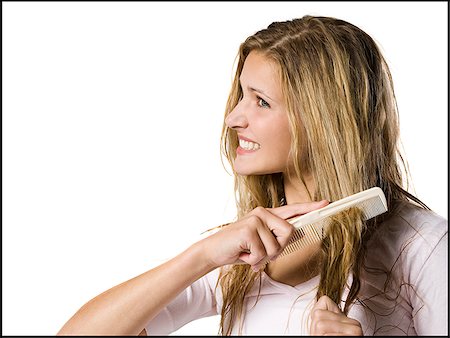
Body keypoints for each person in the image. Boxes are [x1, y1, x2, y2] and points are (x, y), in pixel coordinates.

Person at [57, 15, 448, 336]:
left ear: (322, 118)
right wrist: (201, 256)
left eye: (261, 101)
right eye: (241, 95)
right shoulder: (239, 253)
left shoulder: (423, 247)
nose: (233, 118)